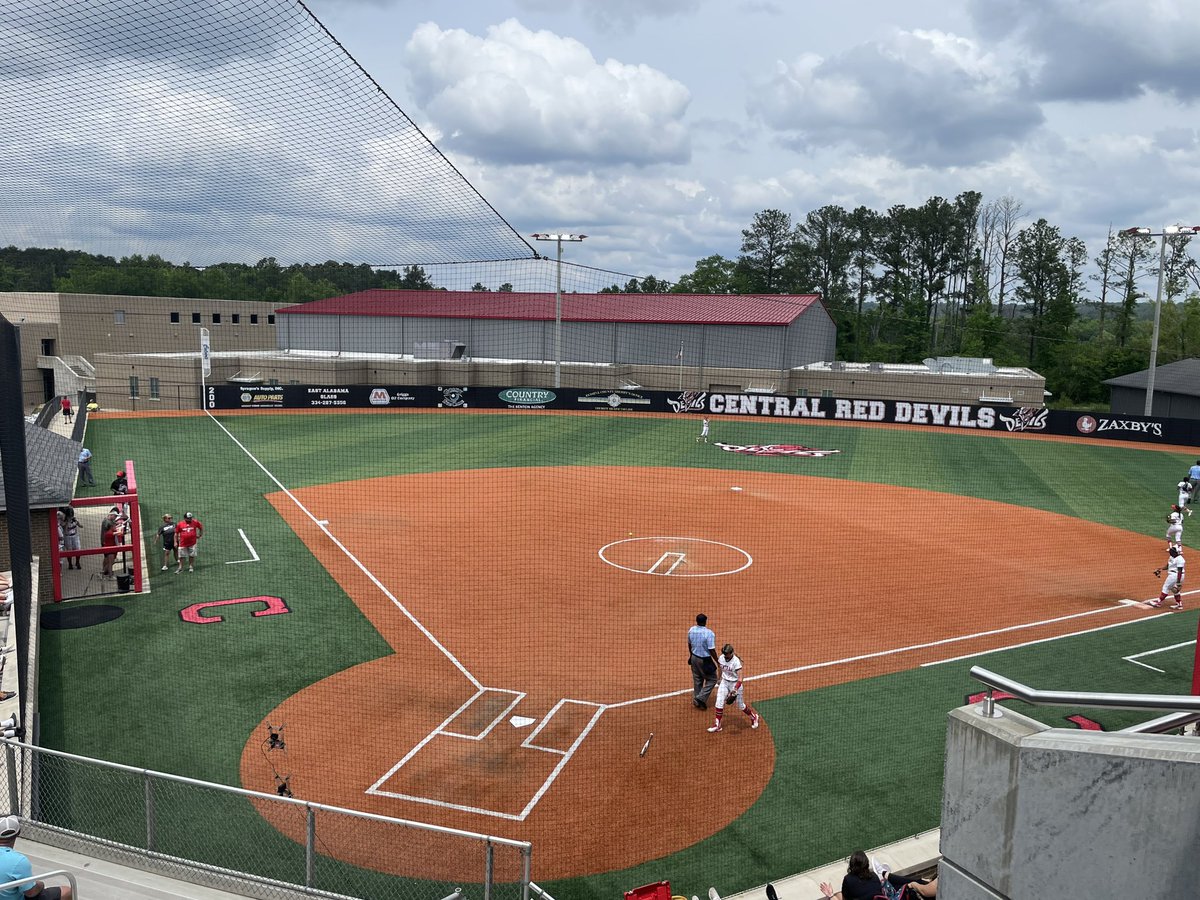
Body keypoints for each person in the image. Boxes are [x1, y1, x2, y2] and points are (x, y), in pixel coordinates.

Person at [0, 814, 73, 899]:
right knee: (67, 892)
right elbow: (31, 893)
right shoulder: (18, 861)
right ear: (18, 833)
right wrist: (40, 884)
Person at [707, 643, 760, 732]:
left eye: (727, 654)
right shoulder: (721, 658)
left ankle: (754, 717)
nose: (725, 656)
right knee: (719, 702)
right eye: (724, 654)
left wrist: (735, 689)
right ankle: (717, 725)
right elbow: (720, 668)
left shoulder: (736, 662)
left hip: (735, 684)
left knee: (740, 705)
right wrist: (719, 679)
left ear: (731, 653)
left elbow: (740, 678)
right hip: (724, 682)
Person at [687, 613, 718, 709]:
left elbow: (690, 644)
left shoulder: (691, 630)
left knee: (697, 679)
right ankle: (700, 698)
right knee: (713, 679)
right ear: (705, 621)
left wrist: (691, 656)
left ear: (697, 621)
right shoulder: (709, 633)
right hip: (704, 660)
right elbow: (711, 649)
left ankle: (697, 699)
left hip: (694, 658)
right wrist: (717, 661)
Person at [1149, 546, 1186, 611]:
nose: (1169, 552)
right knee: (1174, 590)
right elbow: (1168, 566)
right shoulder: (1171, 557)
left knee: (1166, 587)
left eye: (1171, 551)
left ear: (1175, 552)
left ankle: (1158, 602)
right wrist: (1160, 569)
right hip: (1174, 575)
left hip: (1176, 575)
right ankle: (1179, 604)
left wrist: (1178, 582)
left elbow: (1179, 571)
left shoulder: (1180, 560)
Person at [99, 510, 121, 578]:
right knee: (108, 559)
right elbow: (109, 527)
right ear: (111, 515)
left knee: (110, 559)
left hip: (107, 542)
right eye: (115, 516)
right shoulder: (107, 522)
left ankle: (105, 572)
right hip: (106, 542)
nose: (115, 518)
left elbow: (112, 525)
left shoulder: (109, 522)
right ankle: (105, 572)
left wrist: (116, 524)